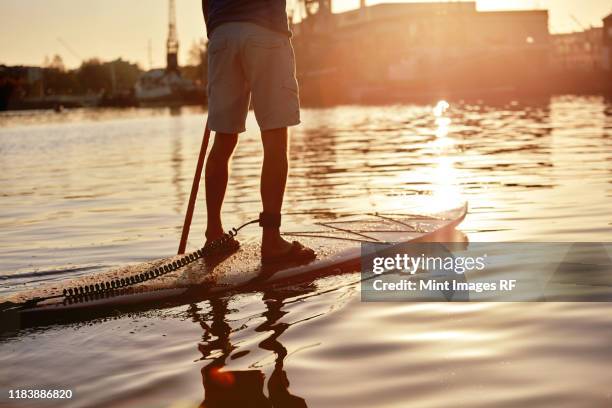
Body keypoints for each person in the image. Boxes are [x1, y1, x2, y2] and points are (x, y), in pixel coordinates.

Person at [201, 0, 316, 265]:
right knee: (275, 140)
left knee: (223, 139)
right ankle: (272, 240)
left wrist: (219, 30)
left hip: (222, 35)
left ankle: (214, 234)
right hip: (265, 33)